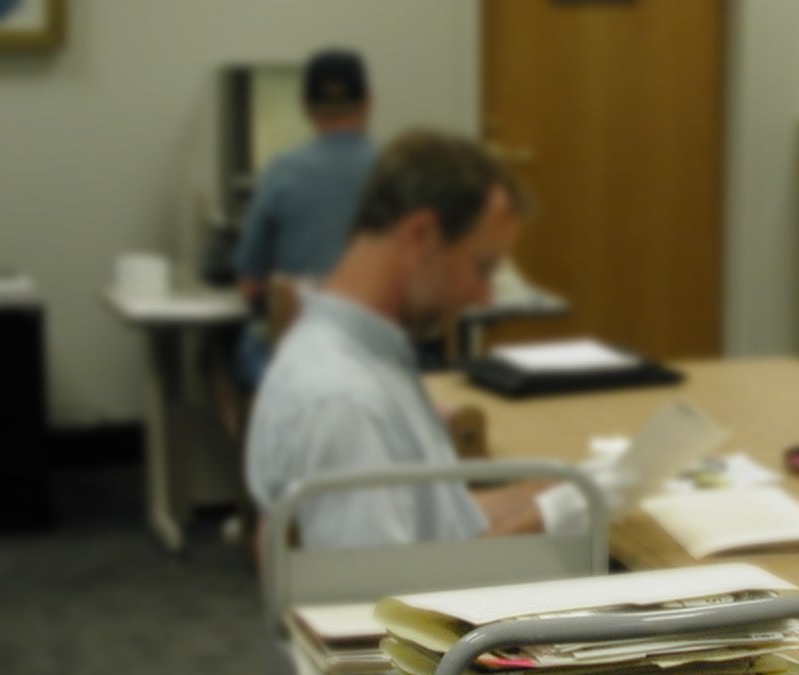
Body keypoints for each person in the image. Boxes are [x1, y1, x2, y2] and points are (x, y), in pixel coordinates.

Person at [245, 131, 626, 550]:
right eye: (482, 268)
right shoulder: (345, 402)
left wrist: (563, 490)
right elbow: (383, 588)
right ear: (420, 235)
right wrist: (551, 518)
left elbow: (440, 523)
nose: (485, 298)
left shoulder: (366, 358)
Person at [228, 49, 379, 390]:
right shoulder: (396, 170)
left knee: (225, 352)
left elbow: (249, 284)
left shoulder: (281, 171)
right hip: (381, 359)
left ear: (305, 107)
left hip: (303, 359)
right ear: (369, 102)